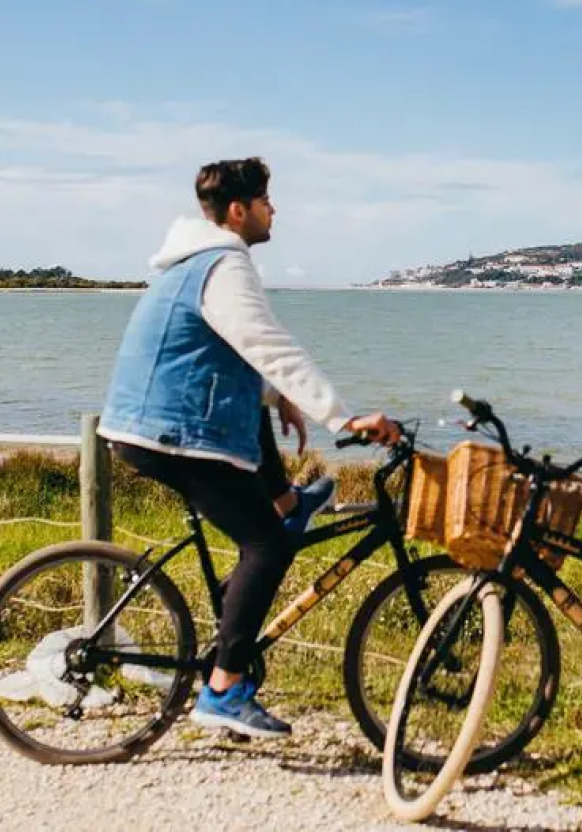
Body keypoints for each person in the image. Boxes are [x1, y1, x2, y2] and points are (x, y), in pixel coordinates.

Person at [98, 158, 398, 740]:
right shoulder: (224, 265)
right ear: (240, 210)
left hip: (154, 423)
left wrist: (275, 394)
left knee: (266, 504)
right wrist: (345, 416)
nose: (274, 209)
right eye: (266, 199)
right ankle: (223, 688)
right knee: (264, 548)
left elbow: (225, 349)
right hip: (173, 432)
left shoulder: (194, 261)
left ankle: (288, 503)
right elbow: (268, 342)